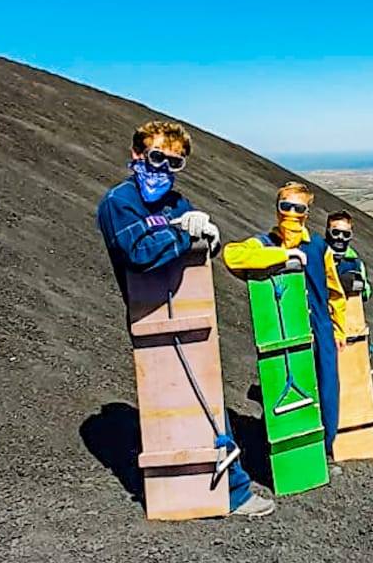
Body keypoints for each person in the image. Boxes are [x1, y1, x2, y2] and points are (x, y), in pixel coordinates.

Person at [95, 120, 273, 517]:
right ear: (138, 154)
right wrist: (182, 234)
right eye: (156, 157)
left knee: (208, 404)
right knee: (173, 404)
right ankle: (185, 493)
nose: (162, 169)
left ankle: (229, 490)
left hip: (191, 315)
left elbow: (199, 244)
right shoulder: (119, 203)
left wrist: (205, 235)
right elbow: (139, 253)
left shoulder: (177, 202)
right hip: (152, 321)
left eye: (174, 163)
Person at [222, 182, 348, 462]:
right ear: (277, 208)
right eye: (285, 206)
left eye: (298, 208)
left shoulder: (319, 247)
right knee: (284, 383)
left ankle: (324, 449)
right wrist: (283, 255)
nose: (291, 213)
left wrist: (339, 328)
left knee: (327, 386)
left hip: (320, 327)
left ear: (307, 211)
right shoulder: (265, 242)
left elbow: (335, 291)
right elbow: (232, 255)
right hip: (282, 329)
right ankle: (286, 447)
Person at [325, 211, 371, 301]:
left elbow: (366, 294)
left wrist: (360, 287)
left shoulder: (356, 263)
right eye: (335, 232)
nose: (340, 237)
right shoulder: (316, 255)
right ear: (327, 231)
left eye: (346, 234)